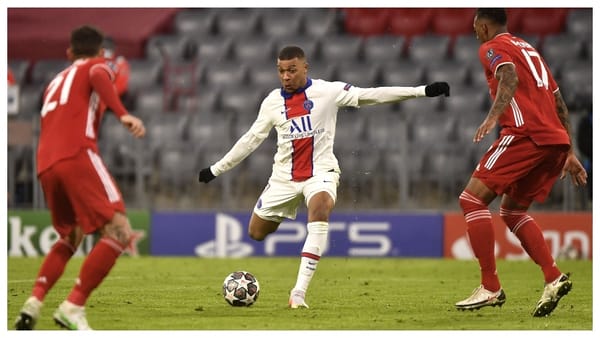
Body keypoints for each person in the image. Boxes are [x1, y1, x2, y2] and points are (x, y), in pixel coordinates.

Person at [198, 45, 450, 308]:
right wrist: (216, 169)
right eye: (281, 71)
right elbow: (250, 140)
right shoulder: (272, 102)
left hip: (321, 172)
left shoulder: (328, 92)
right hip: (284, 178)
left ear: (305, 68)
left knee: (319, 209)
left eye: (292, 70)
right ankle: (286, 212)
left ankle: (298, 293)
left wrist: (422, 91)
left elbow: (371, 95)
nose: (286, 76)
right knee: (256, 233)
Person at [454, 9, 587, 317]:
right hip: (554, 140)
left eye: (476, 28)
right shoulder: (530, 50)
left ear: (485, 26)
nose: (475, 33)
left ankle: (490, 287)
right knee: (513, 211)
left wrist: (491, 118)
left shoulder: (491, 47)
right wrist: (569, 150)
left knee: (471, 200)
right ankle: (553, 278)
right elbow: (558, 101)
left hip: (526, 134)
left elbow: (508, 75)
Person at [14, 25, 145, 330]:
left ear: (69, 53)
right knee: (120, 232)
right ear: (101, 52)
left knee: (70, 236)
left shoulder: (54, 80)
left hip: (45, 164)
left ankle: (33, 302)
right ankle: (73, 306)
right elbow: (99, 75)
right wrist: (122, 113)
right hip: (77, 154)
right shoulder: (98, 65)